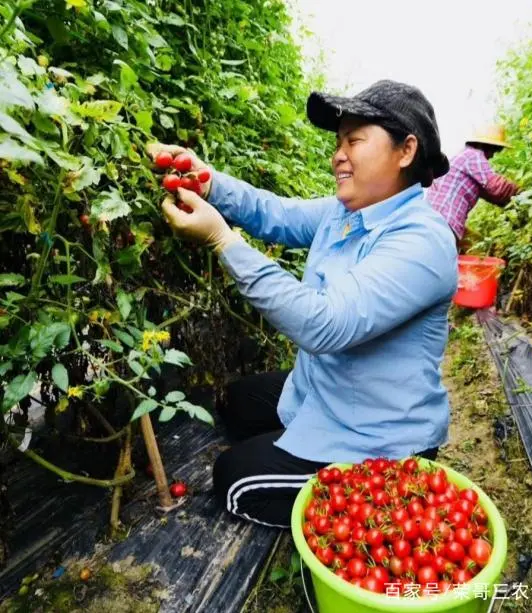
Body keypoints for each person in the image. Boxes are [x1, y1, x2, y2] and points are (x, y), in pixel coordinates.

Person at [147, 80, 458, 528]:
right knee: (236, 403)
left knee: (233, 480)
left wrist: (221, 240)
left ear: (406, 151)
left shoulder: (423, 242)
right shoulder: (347, 212)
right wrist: (209, 183)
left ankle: (391, 497)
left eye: (354, 140)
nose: (338, 155)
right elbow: (277, 214)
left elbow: (324, 325)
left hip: (378, 434)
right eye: (338, 143)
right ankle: (301, 443)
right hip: (332, 390)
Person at [426, 125, 520, 245]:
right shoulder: (473, 155)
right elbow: (497, 187)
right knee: (478, 249)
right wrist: (524, 193)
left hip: (433, 220)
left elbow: (492, 195)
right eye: (495, 150)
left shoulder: (463, 159)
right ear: (486, 146)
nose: (493, 155)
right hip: (444, 221)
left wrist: (515, 204)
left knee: (475, 245)